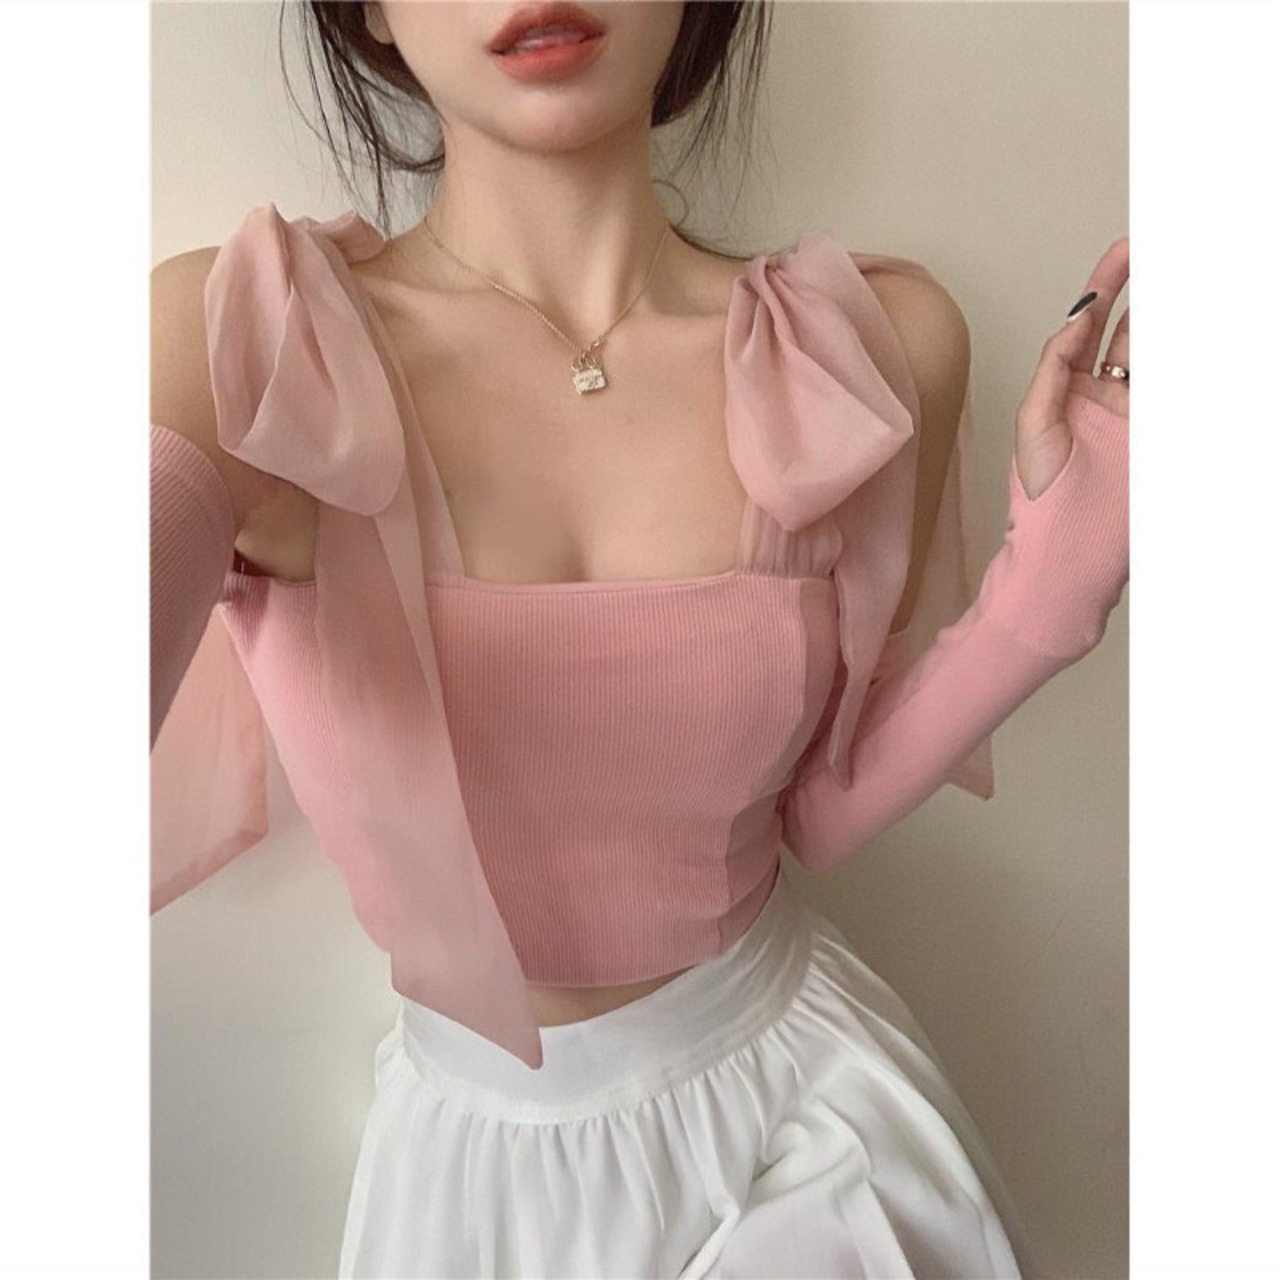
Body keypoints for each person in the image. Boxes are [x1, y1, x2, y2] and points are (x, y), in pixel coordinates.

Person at [150, 2, 1128, 1276]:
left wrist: (1050, 587)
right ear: (370, 11)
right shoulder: (240, 345)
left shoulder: (863, 351)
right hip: (480, 1180)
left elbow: (818, 808)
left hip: (812, 1132)